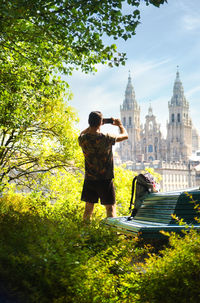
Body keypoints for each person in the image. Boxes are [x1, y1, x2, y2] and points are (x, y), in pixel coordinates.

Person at [78, 111, 128, 221]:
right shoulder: (106, 138)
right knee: (110, 209)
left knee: (88, 210)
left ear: (89, 122)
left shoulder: (83, 139)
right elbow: (125, 136)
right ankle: (111, 234)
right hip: (105, 179)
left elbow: (81, 133)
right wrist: (120, 125)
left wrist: (98, 124)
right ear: (100, 123)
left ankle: (84, 234)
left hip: (90, 178)